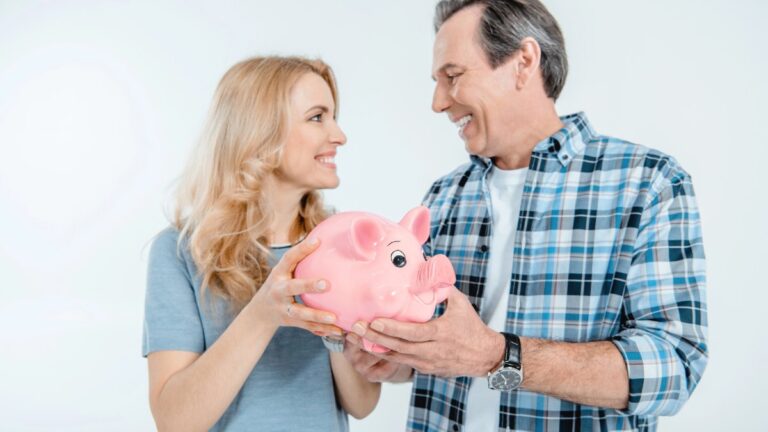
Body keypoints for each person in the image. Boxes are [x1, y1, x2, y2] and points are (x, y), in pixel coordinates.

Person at [344, 1, 708, 431]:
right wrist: (395, 358)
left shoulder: (647, 182)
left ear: (524, 61)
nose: (438, 102)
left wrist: (498, 355)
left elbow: (675, 367)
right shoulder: (442, 197)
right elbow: (440, 346)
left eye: (453, 76)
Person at [142, 56, 380, 432]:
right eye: (317, 117)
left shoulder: (342, 243)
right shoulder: (179, 252)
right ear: (260, 131)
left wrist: (338, 336)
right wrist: (264, 313)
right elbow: (175, 421)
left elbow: (363, 403)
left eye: (333, 117)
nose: (339, 135)